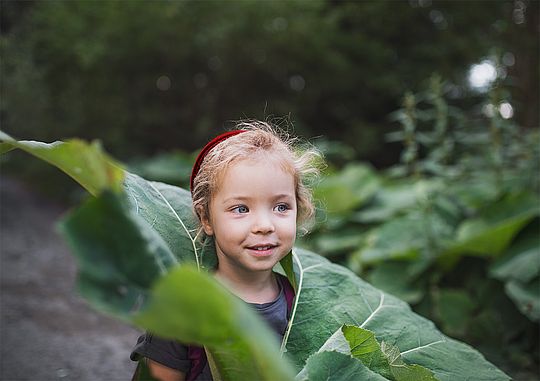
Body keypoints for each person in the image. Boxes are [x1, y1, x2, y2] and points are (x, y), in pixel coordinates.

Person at [130, 121, 320, 381]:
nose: (264, 226)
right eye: (241, 209)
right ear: (206, 218)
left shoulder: (300, 302)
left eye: (281, 207)